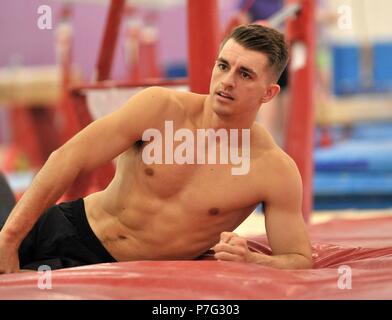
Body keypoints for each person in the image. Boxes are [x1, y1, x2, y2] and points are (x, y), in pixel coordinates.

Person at [0, 24, 313, 273]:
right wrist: (10, 237)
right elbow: (69, 158)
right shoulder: (160, 108)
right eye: (223, 65)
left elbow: (298, 258)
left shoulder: (273, 170)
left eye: (244, 74)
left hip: (116, 271)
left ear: (269, 93)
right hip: (67, 226)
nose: (227, 81)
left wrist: (256, 261)